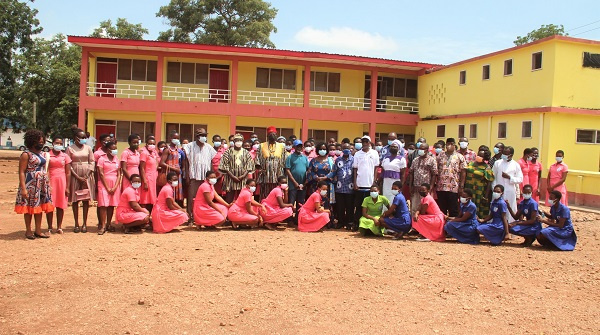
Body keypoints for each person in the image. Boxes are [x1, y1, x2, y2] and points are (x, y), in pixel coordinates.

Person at [15, 129, 54, 239]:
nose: (41, 144)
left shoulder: (42, 154)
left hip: (41, 184)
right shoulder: (26, 155)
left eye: (42, 142)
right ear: (32, 141)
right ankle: (28, 230)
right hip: (30, 184)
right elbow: (22, 172)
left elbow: (46, 169)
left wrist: (48, 184)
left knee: (39, 207)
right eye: (39, 141)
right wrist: (23, 188)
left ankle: (38, 230)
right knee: (28, 208)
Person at [183, 128, 217, 218]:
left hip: (205, 178)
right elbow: (186, 162)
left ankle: (202, 216)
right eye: (202, 135)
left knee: (205, 198)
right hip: (193, 176)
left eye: (205, 135)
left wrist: (212, 176)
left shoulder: (209, 147)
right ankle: (190, 216)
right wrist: (187, 176)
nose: (204, 137)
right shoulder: (189, 146)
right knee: (191, 198)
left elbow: (211, 162)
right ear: (197, 136)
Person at [68, 128, 96, 233]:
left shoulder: (88, 148)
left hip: (87, 175)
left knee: (85, 199)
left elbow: (92, 162)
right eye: (82, 137)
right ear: (76, 138)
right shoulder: (70, 148)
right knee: (75, 200)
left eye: (85, 137)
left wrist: (86, 175)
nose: (84, 139)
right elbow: (68, 164)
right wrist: (77, 176)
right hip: (75, 175)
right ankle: (76, 224)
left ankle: (84, 223)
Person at [352, 135, 380, 231]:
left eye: (366, 141)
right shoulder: (357, 154)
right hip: (360, 184)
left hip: (370, 185)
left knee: (369, 206)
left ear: (369, 143)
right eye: (363, 142)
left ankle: (368, 225)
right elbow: (355, 169)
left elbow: (376, 168)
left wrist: (374, 181)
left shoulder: (374, 153)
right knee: (359, 206)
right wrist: (355, 182)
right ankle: (356, 224)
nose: (364, 143)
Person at [219, 134, 255, 203]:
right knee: (229, 199)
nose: (238, 142)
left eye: (240, 140)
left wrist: (243, 176)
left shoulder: (246, 153)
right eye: (237, 140)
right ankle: (229, 212)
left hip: (243, 179)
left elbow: (249, 166)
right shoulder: (227, 152)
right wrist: (233, 177)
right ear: (234, 141)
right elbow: (224, 165)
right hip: (230, 179)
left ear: (242, 141)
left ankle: (240, 213)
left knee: (241, 198)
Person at [435, 138, 467, 217]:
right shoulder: (440, 155)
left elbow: (463, 171)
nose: (449, 146)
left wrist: (462, 185)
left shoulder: (460, 156)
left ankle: (452, 227)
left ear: (454, 145)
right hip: (441, 186)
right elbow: (436, 169)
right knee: (442, 209)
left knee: (453, 209)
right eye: (448, 144)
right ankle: (442, 227)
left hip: (453, 187)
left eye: (451, 144)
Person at [47, 136, 71, 234]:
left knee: (60, 205)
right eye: (57, 143)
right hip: (51, 181)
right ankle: (49, 227)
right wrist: (47, 183)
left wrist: (68, 187)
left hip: (62, 181)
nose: (59, 145)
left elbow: (68, 172)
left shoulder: (65, 156)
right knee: (50, 205)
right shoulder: (48, 155)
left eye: (61, 143)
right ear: (52, 143)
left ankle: (59, 226)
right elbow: (46, 169)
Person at [255, 126, 288, 200]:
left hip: (278, 176)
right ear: (267, 136)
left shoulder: (281, 146)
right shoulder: (261, 145)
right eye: (270, 134)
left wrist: (284, 175)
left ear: (277, 135)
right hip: (266, 176)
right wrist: (261, 170)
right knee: (265, 196)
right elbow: (257, 160)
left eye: (274, 134)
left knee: (277, 195)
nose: (272, 135)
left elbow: (285, 160)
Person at [97, 141, 122, 235]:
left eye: (116, 148)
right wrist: (107, 187)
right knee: (103, 205)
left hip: (115, 183)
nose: (115, 150)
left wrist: (115, 186)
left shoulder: (117, 159)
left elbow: (119, 174)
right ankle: (102, 225)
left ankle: (108, 224)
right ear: (108, 150)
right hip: (104, 184)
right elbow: (101, 173)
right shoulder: (101, 159)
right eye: (113, 149)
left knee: (111, 205)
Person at [492, 146, 522, 223]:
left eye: (506, 154)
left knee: (510, 207)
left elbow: (520, 179)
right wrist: (494, 189)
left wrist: (510, 177)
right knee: (497, 207)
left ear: (511, 155)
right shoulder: (497, 163)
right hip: (498, 191)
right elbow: (493, 177)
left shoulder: (516, 165)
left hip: (510, 191)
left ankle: (509, 223)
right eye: (503, 153)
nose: (504, 155)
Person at [328, 142, 354, 230]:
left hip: (350, 188)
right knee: (340, 207)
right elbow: (334, 172)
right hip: (339, 187)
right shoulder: (338, 160)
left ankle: (349, 222)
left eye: (348, 148)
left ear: (351, 149)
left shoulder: (354, 160)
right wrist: (325, 177)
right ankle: (340, 222)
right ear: (342, 149)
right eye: (344, 148)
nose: (346, 149)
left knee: (350, 207)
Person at [464, 149, 495, 218]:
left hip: (479, 191)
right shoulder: (470, 164)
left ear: (485, 158)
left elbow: (489, 182)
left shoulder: (486, 168)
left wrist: (486, 196)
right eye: (478, 155)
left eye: (481, 156)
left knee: (477, 206)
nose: (479, 156)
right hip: (468, 189)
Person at [408, 142, 438, 214]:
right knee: (414, 208)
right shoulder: (415, 160)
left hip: (425, 190)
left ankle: (423, 224)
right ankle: (414, 224)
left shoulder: (432, 160)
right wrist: (410, 186)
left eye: (422, 149)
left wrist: (430, 187)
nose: (420, 150)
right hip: (415, 188)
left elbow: (434, 174)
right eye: (419, 149)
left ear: (427, 150)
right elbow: (411, 173)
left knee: (424, 209)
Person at [307, 143, 334, 215]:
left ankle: (327, 221)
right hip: (315, 185)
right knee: (316, 203)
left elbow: (333, 171)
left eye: (324, 149)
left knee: (326, 202)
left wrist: (325, 177)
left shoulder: (330, 160)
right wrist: (316, 177)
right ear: (317, 150)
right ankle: (314, 221)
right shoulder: (313, 161)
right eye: (321, 149)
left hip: (326, 186)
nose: (322, 150)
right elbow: (310, 171)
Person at [285, 140, 310, 216]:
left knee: (300, 203)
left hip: (303, 185)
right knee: (291, 203)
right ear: (294, 147)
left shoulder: (305, 158)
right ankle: (290, 219)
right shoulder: (290, 157)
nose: (299, 148)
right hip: (293, 185)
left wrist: (306, 181)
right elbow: (287, 170)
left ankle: (298, 219)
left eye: (300, 146)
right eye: (297, 146)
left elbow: (308, 169)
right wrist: (295, 182)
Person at [160, 131, 184, 209]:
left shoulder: (178, 149)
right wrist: (173, 168)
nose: (176, 140)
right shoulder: (167, 149)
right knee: (170, 192)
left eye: (178, 138)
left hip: (177, 173)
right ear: (170, 139)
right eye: (174, 138)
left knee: (177, 193)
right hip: (170, 173)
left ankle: (176, 209)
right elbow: (162, 163)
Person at [139, 135, 159, 212]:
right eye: (150, 143)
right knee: (145, 199)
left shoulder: (154, 152)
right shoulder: (144, 153)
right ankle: (144, 217)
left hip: (154, 178)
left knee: (152, 199)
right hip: (147, 177)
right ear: (146, 144)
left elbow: (156, 162)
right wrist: (145, 181)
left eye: (153, 144)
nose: (152, 145)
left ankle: (148, 216)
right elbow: (142, 168)